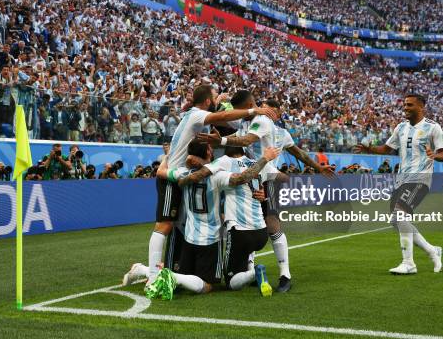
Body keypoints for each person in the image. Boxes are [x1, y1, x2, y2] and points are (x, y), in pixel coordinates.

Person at [197, 93, 333, 292]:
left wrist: (318, 167)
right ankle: (251, 270)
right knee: (249, 225)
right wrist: (218, 105)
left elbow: (250, 142)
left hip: (267, 178)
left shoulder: (262, 121)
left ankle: (285, 275)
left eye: (273, 110)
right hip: (250, 177)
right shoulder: (248, 121)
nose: (271, 112)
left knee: (271, 223)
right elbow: (228, 121)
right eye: (266, 107)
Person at [145, 85, 278, 287]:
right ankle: (154, 275)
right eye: (215, 97)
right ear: (207, 101)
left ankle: (169, 270)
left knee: (180, 224)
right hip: (173, 176)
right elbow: (221, 118)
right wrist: (254, 110)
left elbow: (225, 122)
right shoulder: (197, 115)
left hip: (179, 174)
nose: (218, 100)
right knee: (165, 225)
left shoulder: (199, 127)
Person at [142, 140, 280, 299]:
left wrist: (168, 156)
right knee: (208, 285)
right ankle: (173, 277)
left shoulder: (183, 172)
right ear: (208, 152)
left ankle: (149, 271)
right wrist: (265, 160)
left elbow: (160, 171)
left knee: (190, 275)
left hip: (189, 237)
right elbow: (241, 178)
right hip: (210, 240)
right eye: (210, 147)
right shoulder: (217, 176)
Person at [354, 94, 443, 275]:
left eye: (409, 105)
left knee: (400, 215)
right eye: (404, 104)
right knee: (397, 221)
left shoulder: (433, 127)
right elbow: (388, 149)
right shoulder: (401, 127)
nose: (405, 107)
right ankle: (432, 250)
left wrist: (434, 155)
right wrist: (370, 149)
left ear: (421, 107)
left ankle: (409, 263)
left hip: (420, 178)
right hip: (401, 179)